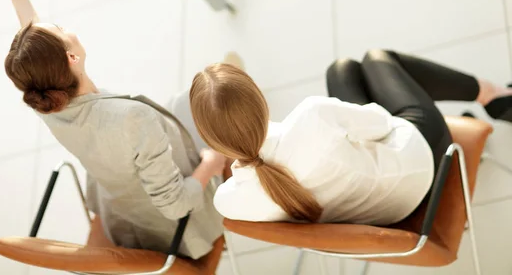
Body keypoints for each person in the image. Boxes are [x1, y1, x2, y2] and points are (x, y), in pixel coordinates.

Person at [0, 0, 227, 259]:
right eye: (62, 28)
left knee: (182, 100)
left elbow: (38, 55)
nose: (68, 28)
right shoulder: (133, 117)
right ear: (72, 58)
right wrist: (211, 165)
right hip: (180, 222)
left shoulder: (46, 101)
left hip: (124, 206)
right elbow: (175, 204)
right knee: (215, 100)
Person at [189, 50, 512, 225]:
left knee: (341, 71)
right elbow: (384, 124)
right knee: (376, 60)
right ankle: (493, 95)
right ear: (260, 97)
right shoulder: (311, 116)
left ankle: (492, 97)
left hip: (384, 215)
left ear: (211, 139)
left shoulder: (229, 201)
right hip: (418, 167)